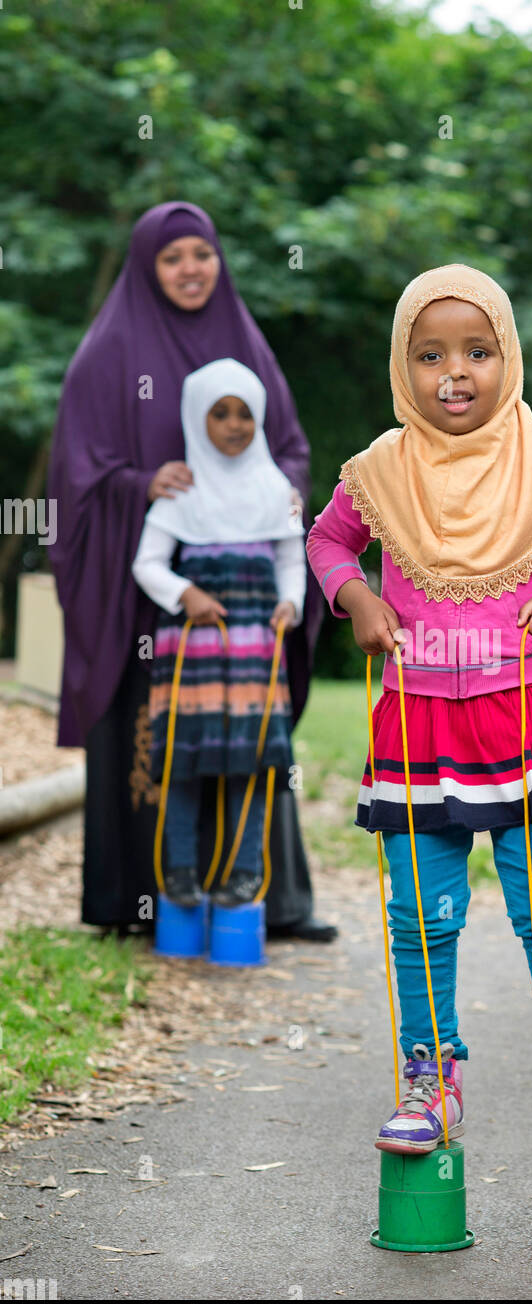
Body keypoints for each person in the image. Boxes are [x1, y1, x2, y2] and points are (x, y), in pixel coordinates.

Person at [307, 265, 532, 1159]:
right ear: (402, 367)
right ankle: (428, 1077)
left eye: (478, 352)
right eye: (431, 353)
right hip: (418, 723)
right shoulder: (381, 468)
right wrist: (357, 600)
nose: (456, 372)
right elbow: (330, 538)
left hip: (531, 716)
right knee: (418, 916)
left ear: (508, 358)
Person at [48, 201, 334, 940]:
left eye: (201, 254)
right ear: (148, 265)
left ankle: (266, 901)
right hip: (149, 602)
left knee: (246, 740)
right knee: (163, 746)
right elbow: (76, 472)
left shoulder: (244, 340)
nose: (190, 270)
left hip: (242, 610)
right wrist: (139, 485)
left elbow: (290, 447)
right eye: (172, 257)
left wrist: (270, 494)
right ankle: (139, 901)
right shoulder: (108, 351)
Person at [131, 359, 303, 904]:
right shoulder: (182, 489)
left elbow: (291, 559)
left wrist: (290, 602)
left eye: (245, 415)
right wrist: (186, 594)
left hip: (255, 646)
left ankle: (246, 871)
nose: (234, 425)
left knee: (249, 760)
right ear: (195, 418)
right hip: (194, 648)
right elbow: (147, 564)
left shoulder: (275, 487)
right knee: (186, 757)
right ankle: (179, 871)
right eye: (220, 414)